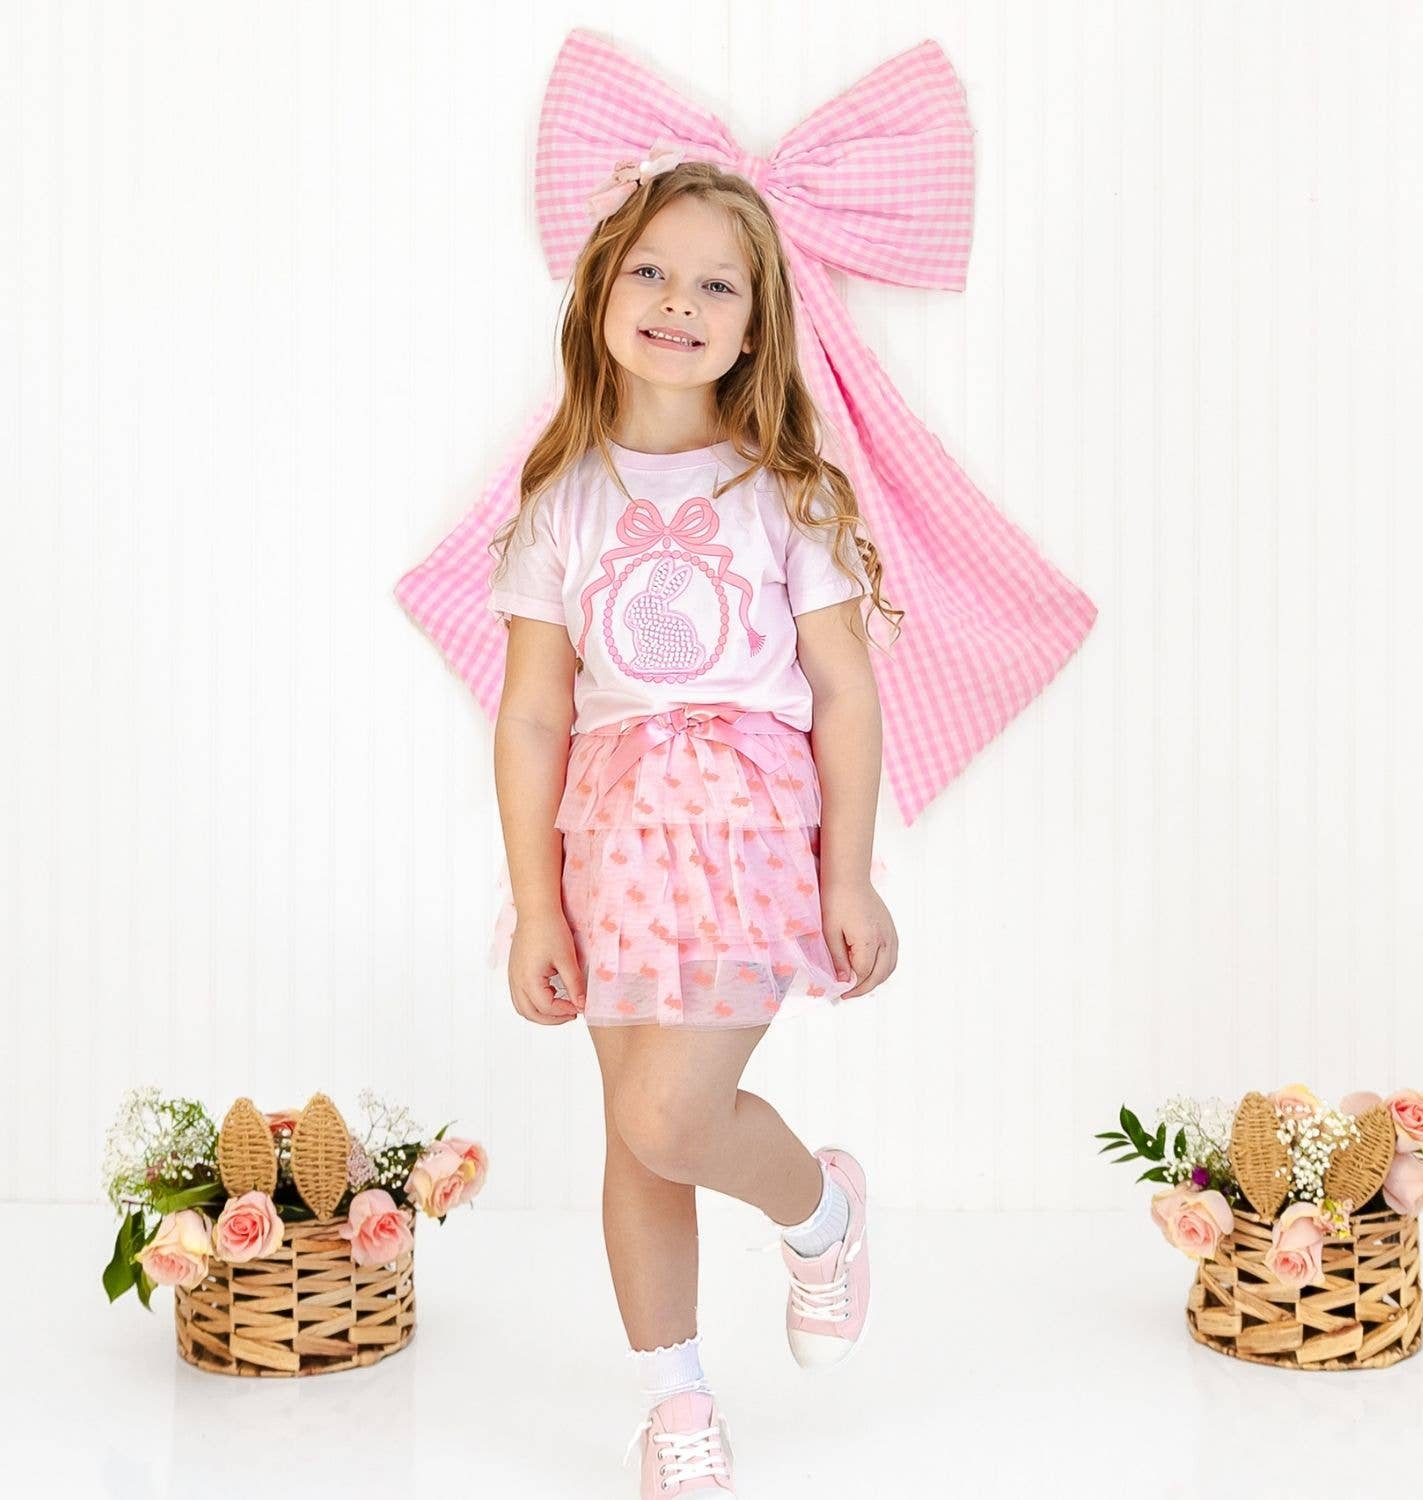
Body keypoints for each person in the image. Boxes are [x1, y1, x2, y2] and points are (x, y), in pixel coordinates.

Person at [488, 146, 900, 1497]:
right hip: (610, 840)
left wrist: (852, 875)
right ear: (602, 291)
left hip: (746, 833)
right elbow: (534, 716)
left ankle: (821, 1213)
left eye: (717, 284)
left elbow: (843, 690)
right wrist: (536, 905)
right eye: (652, 271)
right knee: (634, 1132)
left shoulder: (786, 494)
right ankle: (676, 1406)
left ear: (757, 324)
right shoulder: (559, 504)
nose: (679, 301)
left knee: (674, 1116)